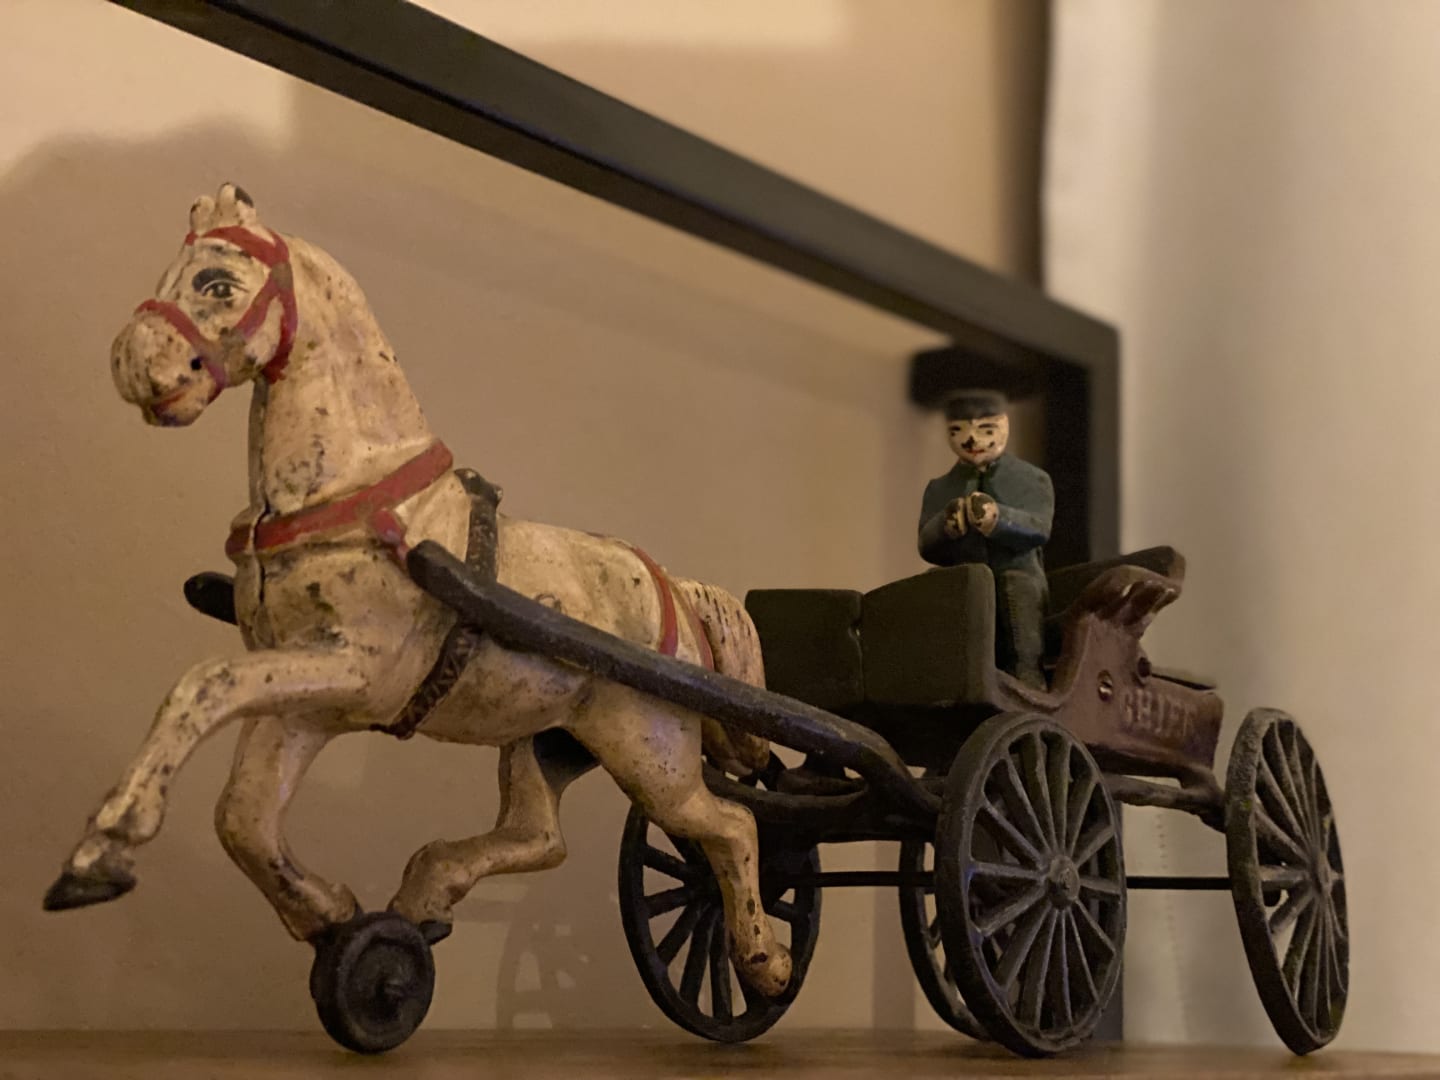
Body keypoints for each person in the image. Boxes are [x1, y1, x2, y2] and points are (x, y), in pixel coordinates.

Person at [917, 391, 1053, 688]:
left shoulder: (1032, 479)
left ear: (1004, 426)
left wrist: (998, 519)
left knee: (1015, 588)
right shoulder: (939, 488)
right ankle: (949, 677)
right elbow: (926, 545)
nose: (971, 440)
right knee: (939, 585)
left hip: (1016, 575)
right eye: (958, 431)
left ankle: (1027, 677)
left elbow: (1039, 528)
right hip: (967, 576)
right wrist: (945, 527)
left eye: (985, 430)